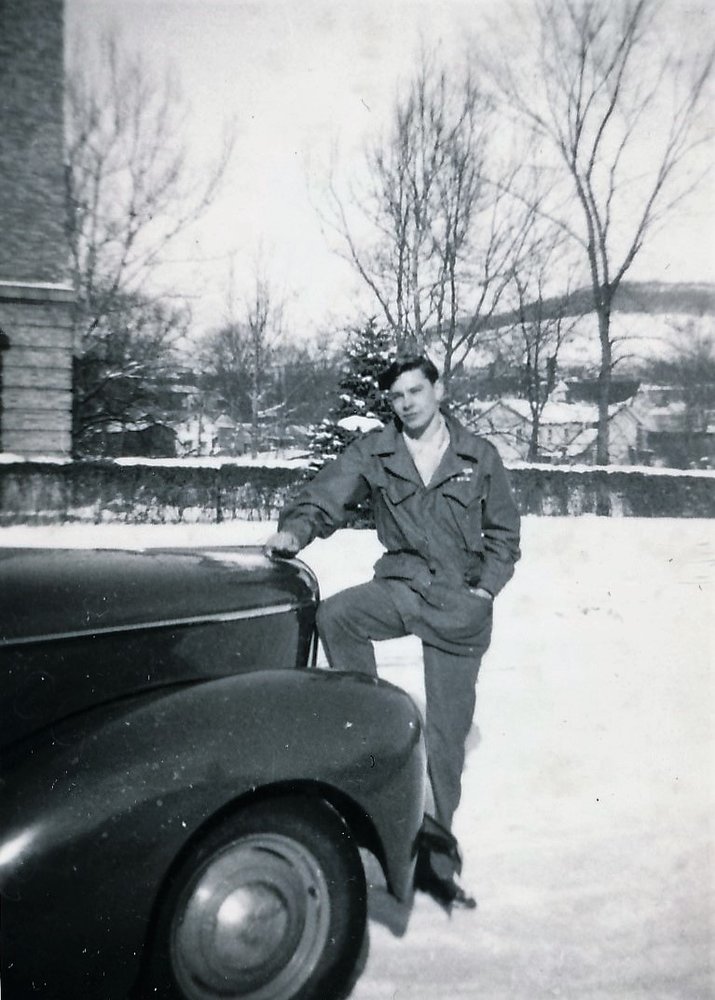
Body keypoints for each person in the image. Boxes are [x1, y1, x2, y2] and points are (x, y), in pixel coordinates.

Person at [264, 353, 520, 910]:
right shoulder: (376, 450)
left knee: (446, 744)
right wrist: (295, 532)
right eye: (397, 396)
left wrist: (484, 591)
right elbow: (324, 495)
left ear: (437, 389)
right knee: (338, 614)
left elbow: (505, 535)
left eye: (415, 391)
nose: (406, 403)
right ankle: (371, 724)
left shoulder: (479, 455)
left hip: (459, 604)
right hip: (403, 585)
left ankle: (435, 861)